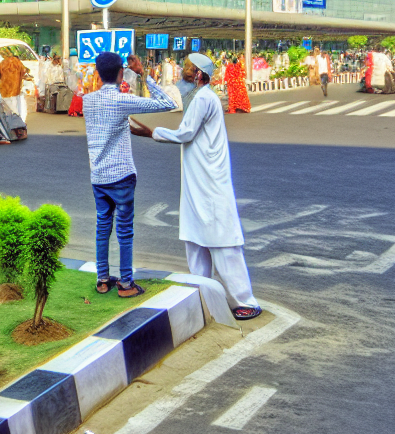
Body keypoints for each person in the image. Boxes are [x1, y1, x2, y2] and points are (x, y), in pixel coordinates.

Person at [130, 53, 263, 320]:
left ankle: (244, 300)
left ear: (200, 75)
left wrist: (150, 132)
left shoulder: (203, 98)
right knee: (195, 239)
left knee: (221, 242)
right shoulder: (196, 95)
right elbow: (168, 100)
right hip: (197, 178)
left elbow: (185, 133)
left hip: (210, 181)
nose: (184, 72)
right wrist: (143, 74)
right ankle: (202, 293)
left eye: (189, 70)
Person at [82, 52, 177, 297]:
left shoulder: (87, 100)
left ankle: (102, 279)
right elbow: (167, 103)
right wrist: (144, 75)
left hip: (98, 176)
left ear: (97, 73)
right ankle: (126, 283)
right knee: (124, 230)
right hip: (121, 175)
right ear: (121, 73)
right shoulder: (121, 100)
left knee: (103, 226)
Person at [0, 49, 29, 120]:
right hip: (16, 91)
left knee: (8, 112)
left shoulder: (2, 64)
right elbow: (25, 71)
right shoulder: (18, 62)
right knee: (16, 110)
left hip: (5, 91)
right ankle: (17, 125)